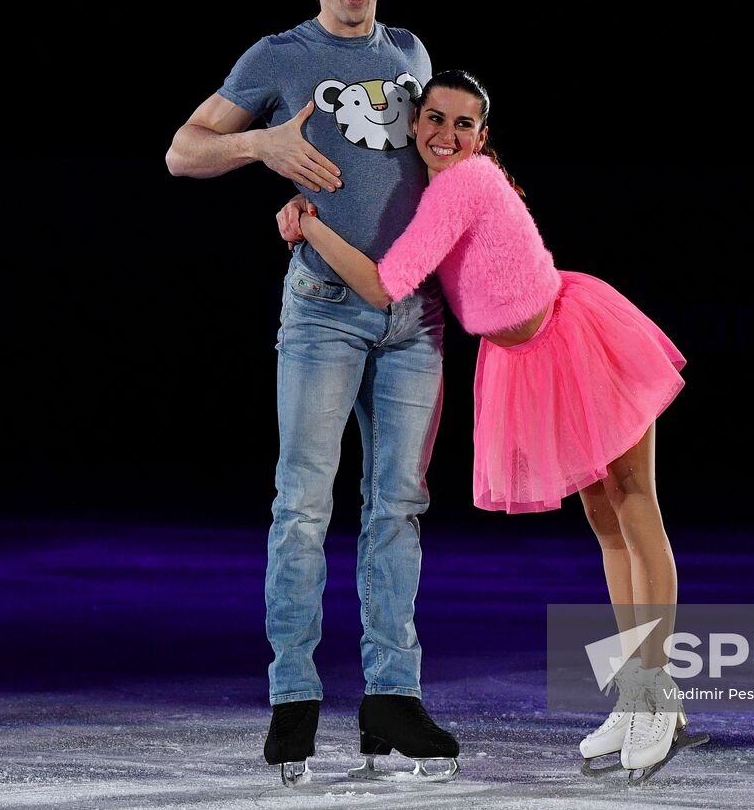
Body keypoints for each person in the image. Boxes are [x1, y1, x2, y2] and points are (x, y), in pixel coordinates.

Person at [280, 70, 703, 778]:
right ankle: (638, 697)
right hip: (531, 363)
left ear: (482, 136)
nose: (447, 135)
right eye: (435, 120)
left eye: (464, 125)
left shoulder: (466, 182)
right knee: (605, 522)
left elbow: (387, 284)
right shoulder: (434, 188)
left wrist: (313, 226)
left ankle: (660, 695)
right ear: (414, 125)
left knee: (635, 508)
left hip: (580, 341)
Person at [165, 0, 458, 786]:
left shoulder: (411, 55)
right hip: (326, 309)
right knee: (303, 506)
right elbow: (183, 151)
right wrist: (263, 146)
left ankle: (390, 699)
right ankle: (294, 698)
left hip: (414, 317)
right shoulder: (277, 56)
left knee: (398, 507)